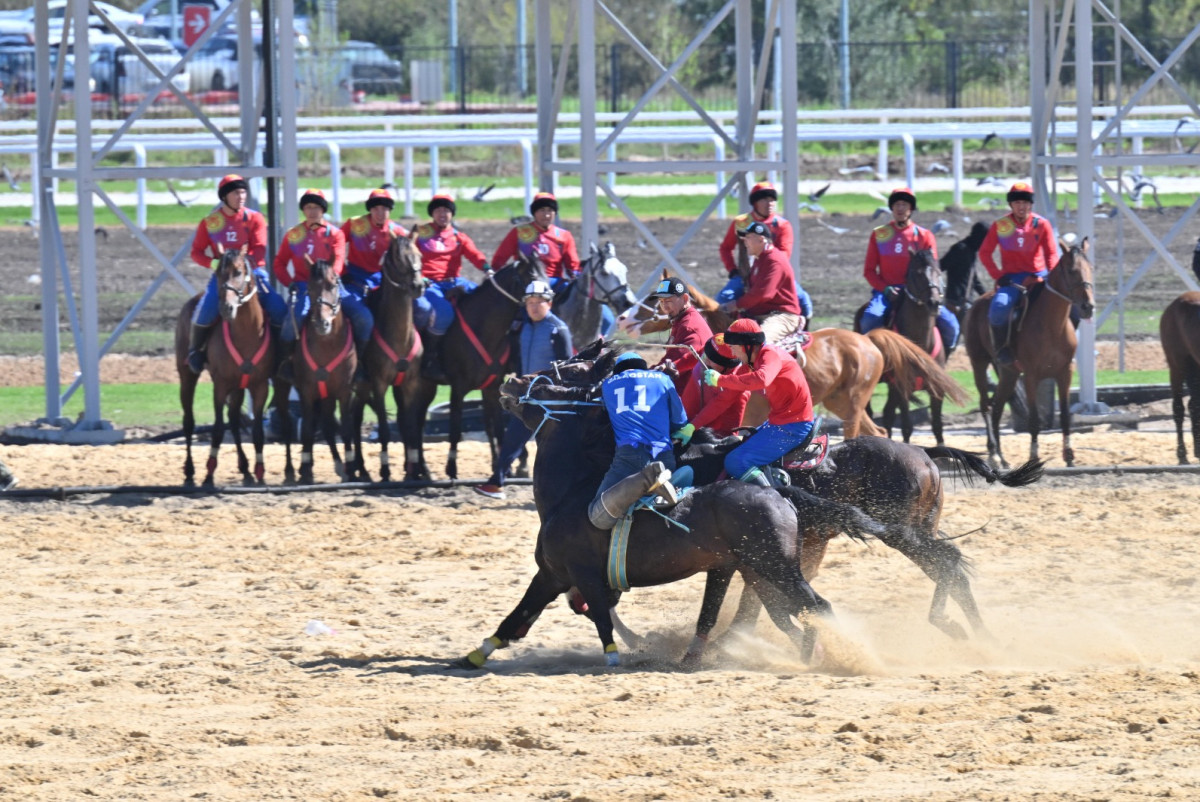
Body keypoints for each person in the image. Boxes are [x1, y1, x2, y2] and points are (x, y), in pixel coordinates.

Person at [473, 280, 574, 501]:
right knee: (513, 439)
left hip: (549, 400)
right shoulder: (524, 328)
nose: (534, 307)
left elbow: (566, 366)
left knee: (551, 447)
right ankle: (496, 483)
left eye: (539, 302)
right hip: (528, 397)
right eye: (530, 303)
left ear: (549, 303)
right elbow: (520, 361)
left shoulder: (558, 329)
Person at [184, 173, 282, 375]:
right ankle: (196, 352)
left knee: (279, 308)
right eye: (236, 193)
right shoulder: (210, 222)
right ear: (225, 196)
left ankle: (283, 356)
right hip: (223, 277)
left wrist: (243, 264)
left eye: (243, 192)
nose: (241, 196)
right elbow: (196, 252)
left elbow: (259, 248)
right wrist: (214, 263)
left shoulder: (255, 218)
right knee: (204, 312)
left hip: (254, 274)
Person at [271, 189, 372, 381]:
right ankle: (286, 362)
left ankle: (359, 361)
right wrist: (289, 283)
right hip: (304, 286)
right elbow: (279, 263)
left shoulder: (335, 234)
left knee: (364, 317)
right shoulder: (294, 234)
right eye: (308, 207)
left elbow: (339, 260)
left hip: (332, 286)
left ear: (323, 210)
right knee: (295, 317)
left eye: (316, 207)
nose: (312, 211)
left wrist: (330, 277)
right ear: (303, 210)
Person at [703, 319, 814, 486]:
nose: (732, 353)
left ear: (746, 346)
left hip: (793, 426)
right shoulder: (751, 363)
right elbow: (724, 399)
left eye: (733, 347)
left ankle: (774, 497)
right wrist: (692, 426)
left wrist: (721, 380)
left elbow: (762, 379)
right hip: (779, 422)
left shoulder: (770, 355)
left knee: (735, 462)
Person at [586, 351, 689, 530]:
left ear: (618, 371)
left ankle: (646, 478)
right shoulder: (663, 379)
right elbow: (680, 421)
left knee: (598, 518)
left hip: (630, 456)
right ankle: (663, 482)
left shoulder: (608, 385)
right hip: (664, 455)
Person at [860, 187, 961, 352]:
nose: (900, 208)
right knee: (870, 318)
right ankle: (873, 359)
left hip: (921, 292)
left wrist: (934, 293)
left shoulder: (925, 235)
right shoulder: (879, 234)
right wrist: (885, 289)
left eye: (904, 205)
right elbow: (869, 271)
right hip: (887, 292)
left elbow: (934, 270)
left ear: (911, 209)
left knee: (952, 325)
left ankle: (943, 358)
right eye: (897, 205)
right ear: (891, 208)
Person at [978, 181, 1060, 365]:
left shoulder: (1042, 224)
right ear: (1011, 204)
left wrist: (1052, 275)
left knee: (1069, 304)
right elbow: (984, 253)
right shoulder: (1001, 225)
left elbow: (1051, 253)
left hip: (1039, 276)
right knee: (999, 308)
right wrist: (998, 276)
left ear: (1031, 204)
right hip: (1011, 280)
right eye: (1017, 203)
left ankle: (1065, 347)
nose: (1021, 206)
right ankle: (1002, 349)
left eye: (1025, 202)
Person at [412, 193, 490, 380]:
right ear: (432, 213)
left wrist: (487, 268)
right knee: (444, 313)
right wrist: (421, 278)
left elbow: (475, 255)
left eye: (446, 210)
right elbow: (409, 257)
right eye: (438, 210)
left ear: (452, 214)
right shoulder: (420, 234)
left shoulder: (458, 236)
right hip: (430, 283)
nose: (442, 214)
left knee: (486, 299)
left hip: (455, 281)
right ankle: (430, 355)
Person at [718, 221, 807, 343]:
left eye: (748, 237)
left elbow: (764, 294)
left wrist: (736, 305)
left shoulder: (774, 261)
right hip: (762, 315)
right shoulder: (760, 259)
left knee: (759, 342)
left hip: (782, 317)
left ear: (761, 240)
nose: (744, 241)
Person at [717, 181, 794, 302]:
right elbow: (725, 248)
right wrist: (732, 270)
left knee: (803, 299)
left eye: (772, 200)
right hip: (744, 276)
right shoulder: (740, 223)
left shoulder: (782, 225)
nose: (769, 203)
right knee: (723, 298)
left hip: (772, 275)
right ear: (755, 202)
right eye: (764, 199)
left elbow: (784, 254)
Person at [491, 192, 580, 291]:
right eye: (542, 210)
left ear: (555, 213)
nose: (546, 215)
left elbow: (573, 266)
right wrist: (492, 273)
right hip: (526, 283)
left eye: (550, 210)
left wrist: (576, 276)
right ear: (534, 213)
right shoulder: (519, 232)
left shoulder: (564, 236)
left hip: (554, 283)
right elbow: (500, 258)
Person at [340, 188, 410, 301]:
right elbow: (335, 245)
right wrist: (343, 271)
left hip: (384, 278)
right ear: (370, 210)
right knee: (356, 309)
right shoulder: (354, 224)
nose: (380, 213)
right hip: (354, 277)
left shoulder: (397, 231)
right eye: (375, 208)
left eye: (384, 209)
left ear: (390, 210)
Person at [649, 277, 713, 396]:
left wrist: (642, 374)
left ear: (685, 298)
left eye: (668, 301)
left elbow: (670, 365)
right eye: (661, 301)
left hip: (688, 397)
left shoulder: (689, 327)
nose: (665, 307)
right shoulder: (681, 320)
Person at [680, 336, 750, 438]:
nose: (705, 360)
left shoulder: (738, 388)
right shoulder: (711, 350)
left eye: (711, 359)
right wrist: (674, 366)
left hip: (709, 432)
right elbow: (697, 354)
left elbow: (728, 434)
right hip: (689, 407)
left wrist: (693, 426)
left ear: (727, 367)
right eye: (706, 354)